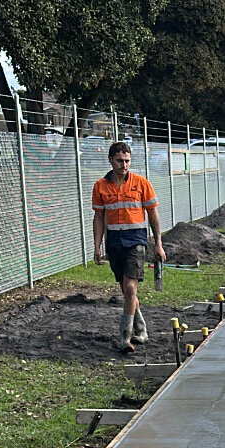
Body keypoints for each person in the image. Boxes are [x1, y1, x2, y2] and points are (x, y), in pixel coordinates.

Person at [91, 139, 166, 353]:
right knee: (126, 290)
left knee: (131, 288)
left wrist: (158, 243)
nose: (124, 165)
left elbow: (153, 215)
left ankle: (125, 337)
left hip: (136, 241)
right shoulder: (100, 186)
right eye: (119, 161)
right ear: (110, 160)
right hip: (114, 242)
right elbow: (99, 217)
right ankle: (141, 329)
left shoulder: (142, 183)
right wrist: (97, 246)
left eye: (127, 161)